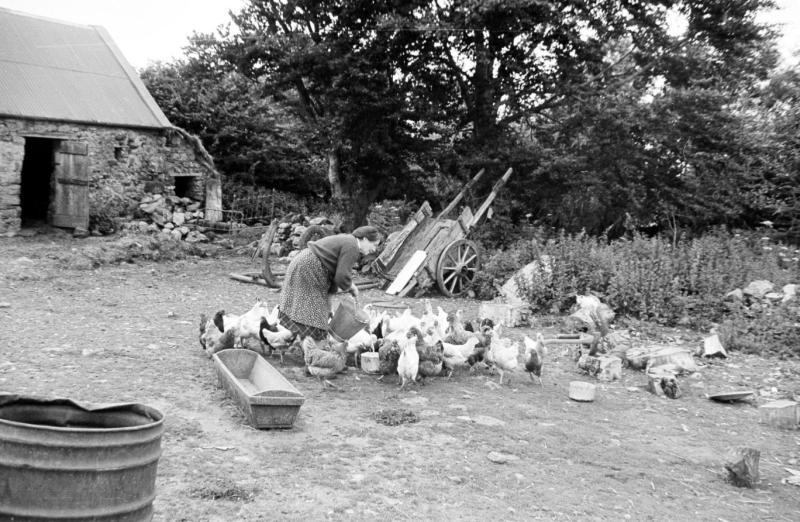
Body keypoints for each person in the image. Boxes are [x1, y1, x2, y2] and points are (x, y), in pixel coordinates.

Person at [278, 225, 381, 340]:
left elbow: (335, 275)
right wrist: (351, 287)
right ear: (365, 239)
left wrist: (329, 304)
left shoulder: (348, 241)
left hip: (304, 263)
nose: (374, 249)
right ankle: (312, 346)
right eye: (374, 244)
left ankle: (304, 341)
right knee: (313, 309)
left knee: (310, 307)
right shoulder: (353, 246)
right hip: (309, 266)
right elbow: (342, 276)